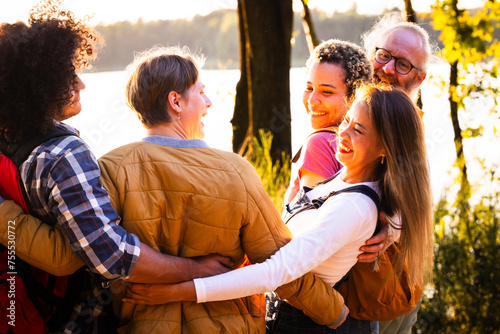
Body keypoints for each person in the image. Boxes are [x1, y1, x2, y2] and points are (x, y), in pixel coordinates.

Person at [2, 43, 350, 332]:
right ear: (176, 102)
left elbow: (72, 253)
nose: (209, 103)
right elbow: (282, 264)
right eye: (201, 92)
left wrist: (6, 212)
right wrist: (334, 311)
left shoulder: (110, 167)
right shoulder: (237, 172)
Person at [124, 84, 435, 334]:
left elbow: (275, 272)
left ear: (384, 148)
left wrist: (176, 291)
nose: (343, 134)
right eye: (347, 122)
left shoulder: (353, 207)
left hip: (313, 324)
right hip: (295, 314)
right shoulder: (347, 176)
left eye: (359, 130)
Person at [0, 1, 232, 332]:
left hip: (27, 307)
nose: (81, 84)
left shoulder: (8, 139)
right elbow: (112, 255)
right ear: (40, 83)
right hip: (74, 321)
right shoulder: (64, 153)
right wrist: (197, 269)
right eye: (70, 74)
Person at [355, 12, 434, 334]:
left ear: (419, 78)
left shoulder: (409, 124)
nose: (387, 68)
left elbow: (418, 192)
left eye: (402, 64)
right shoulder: (360, 109)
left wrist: (396, 227)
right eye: (384, 55)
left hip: (386, 290)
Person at [284, 39, 372, 203]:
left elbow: (308, 219)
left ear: (355, 96)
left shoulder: (321, 142)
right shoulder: (372, 144)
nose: (312, 100)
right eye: (309, 88)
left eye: (326, 92)